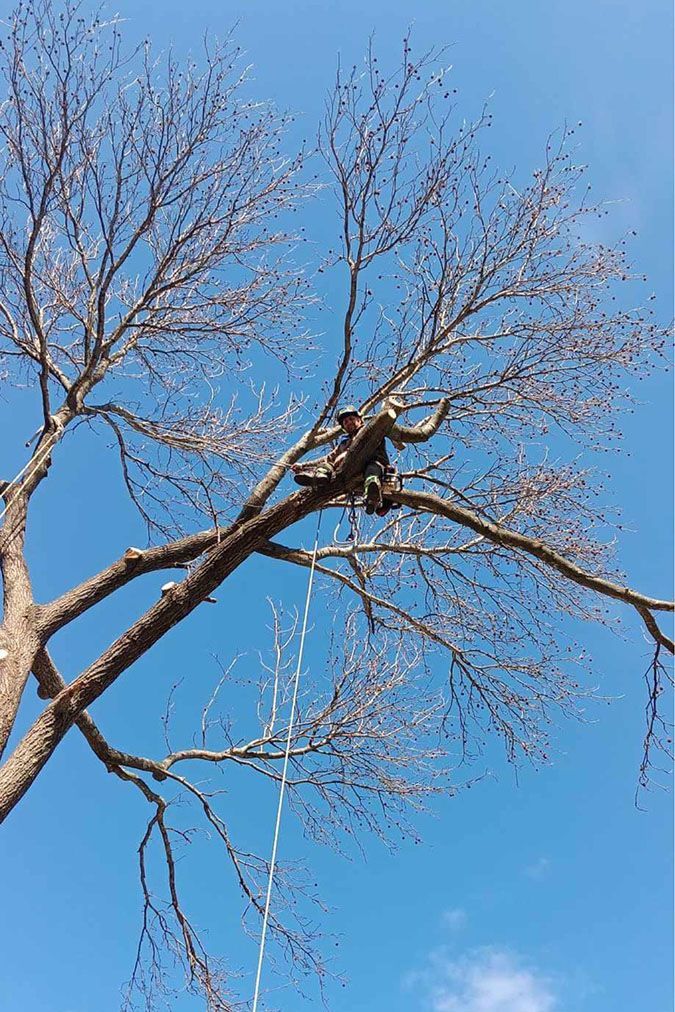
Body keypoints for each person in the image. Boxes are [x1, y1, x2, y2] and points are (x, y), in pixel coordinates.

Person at [291, 405, 392, 515]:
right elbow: (327, 458)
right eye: (345, 422)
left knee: (372, 470)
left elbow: (386, 427)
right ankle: (321, 477)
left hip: (372, 465)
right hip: (348, 471)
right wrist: (304, 466)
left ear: (359, 420)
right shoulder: (343, 444)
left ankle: (372, 493)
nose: (348, 422)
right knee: (327, 464)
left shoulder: (371, 431)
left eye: (351, 419)